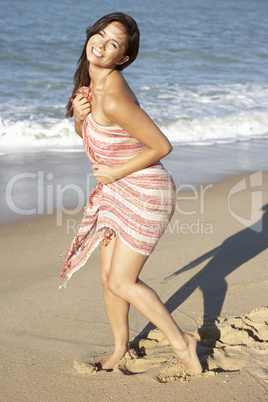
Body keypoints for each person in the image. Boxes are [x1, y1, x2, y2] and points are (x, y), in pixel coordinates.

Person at [61, 12, 202, 375]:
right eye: (101, 34)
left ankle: (181, 342)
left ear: (123, 57)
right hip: (116, 190)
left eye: (114, 44)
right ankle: (120, 348)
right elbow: (96, 141)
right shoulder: (92, 88)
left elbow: (161, 145)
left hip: (147, 192)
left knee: (123, 280)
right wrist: (79, 117)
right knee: (108, 278)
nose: (101, 44)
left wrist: (114, 173)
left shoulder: (114, 96)